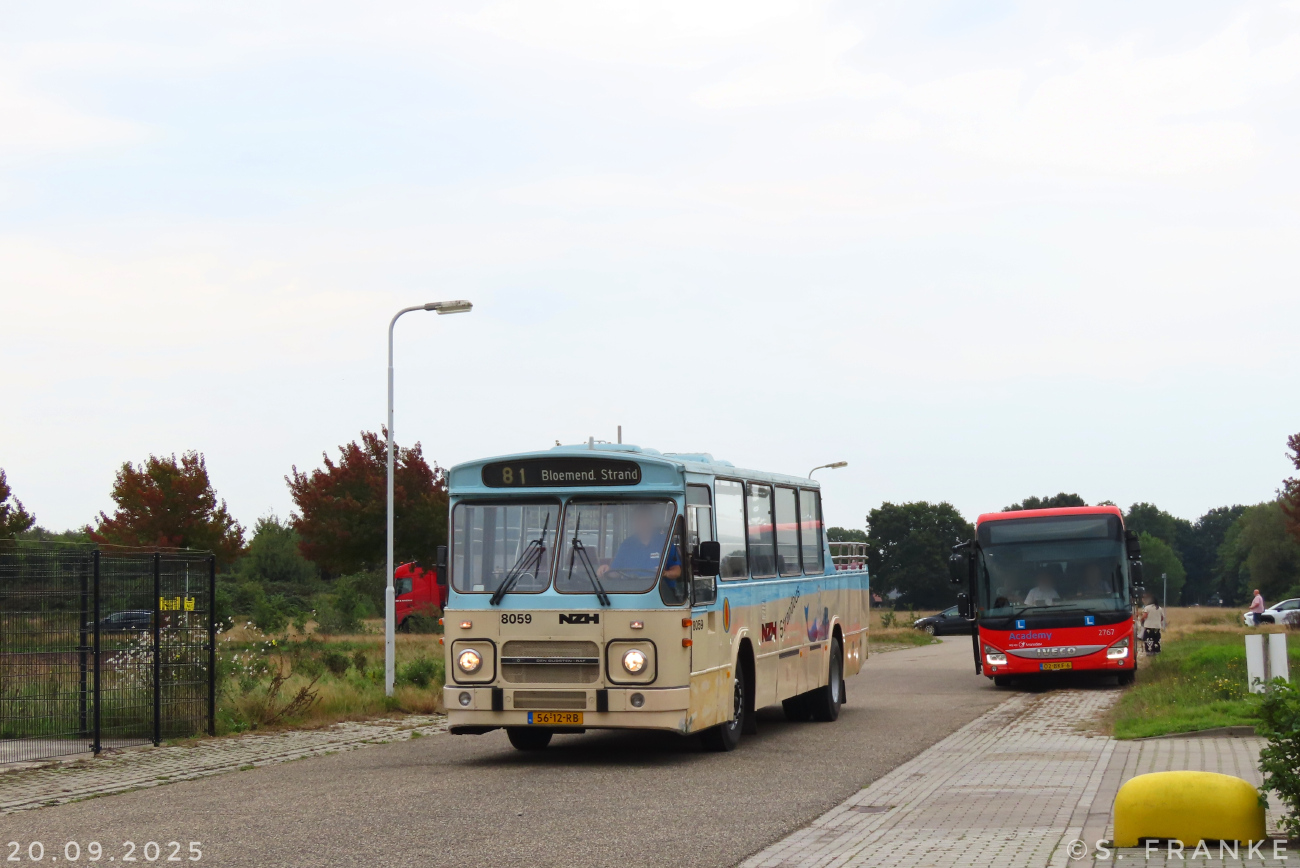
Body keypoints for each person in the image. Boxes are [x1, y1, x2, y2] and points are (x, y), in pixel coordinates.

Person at [598, 506, 681, 581]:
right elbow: (615, 572)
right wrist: (606, 570)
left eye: (644, 518)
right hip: (633, 592)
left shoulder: (665, 542)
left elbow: (677, 571)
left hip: (660, 593)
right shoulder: (627, 545)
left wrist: (665, 573)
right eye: (638, 519)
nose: (642, 523)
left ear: (651, 521)